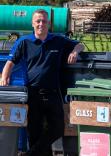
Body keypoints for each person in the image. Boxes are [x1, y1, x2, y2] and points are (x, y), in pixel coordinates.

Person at [0, 9, 84, 156]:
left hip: (53, 93)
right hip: (32, 93)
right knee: (34, 133)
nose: (41, 24)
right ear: (32, 23)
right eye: (38, 21)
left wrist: (75, 51)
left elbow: (80, 44)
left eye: (44, 21)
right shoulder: (24, 42)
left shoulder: (58, 40)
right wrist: (4, 77)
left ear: (49, 23)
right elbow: (10, 61)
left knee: (58, 129)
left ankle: (30, 154)